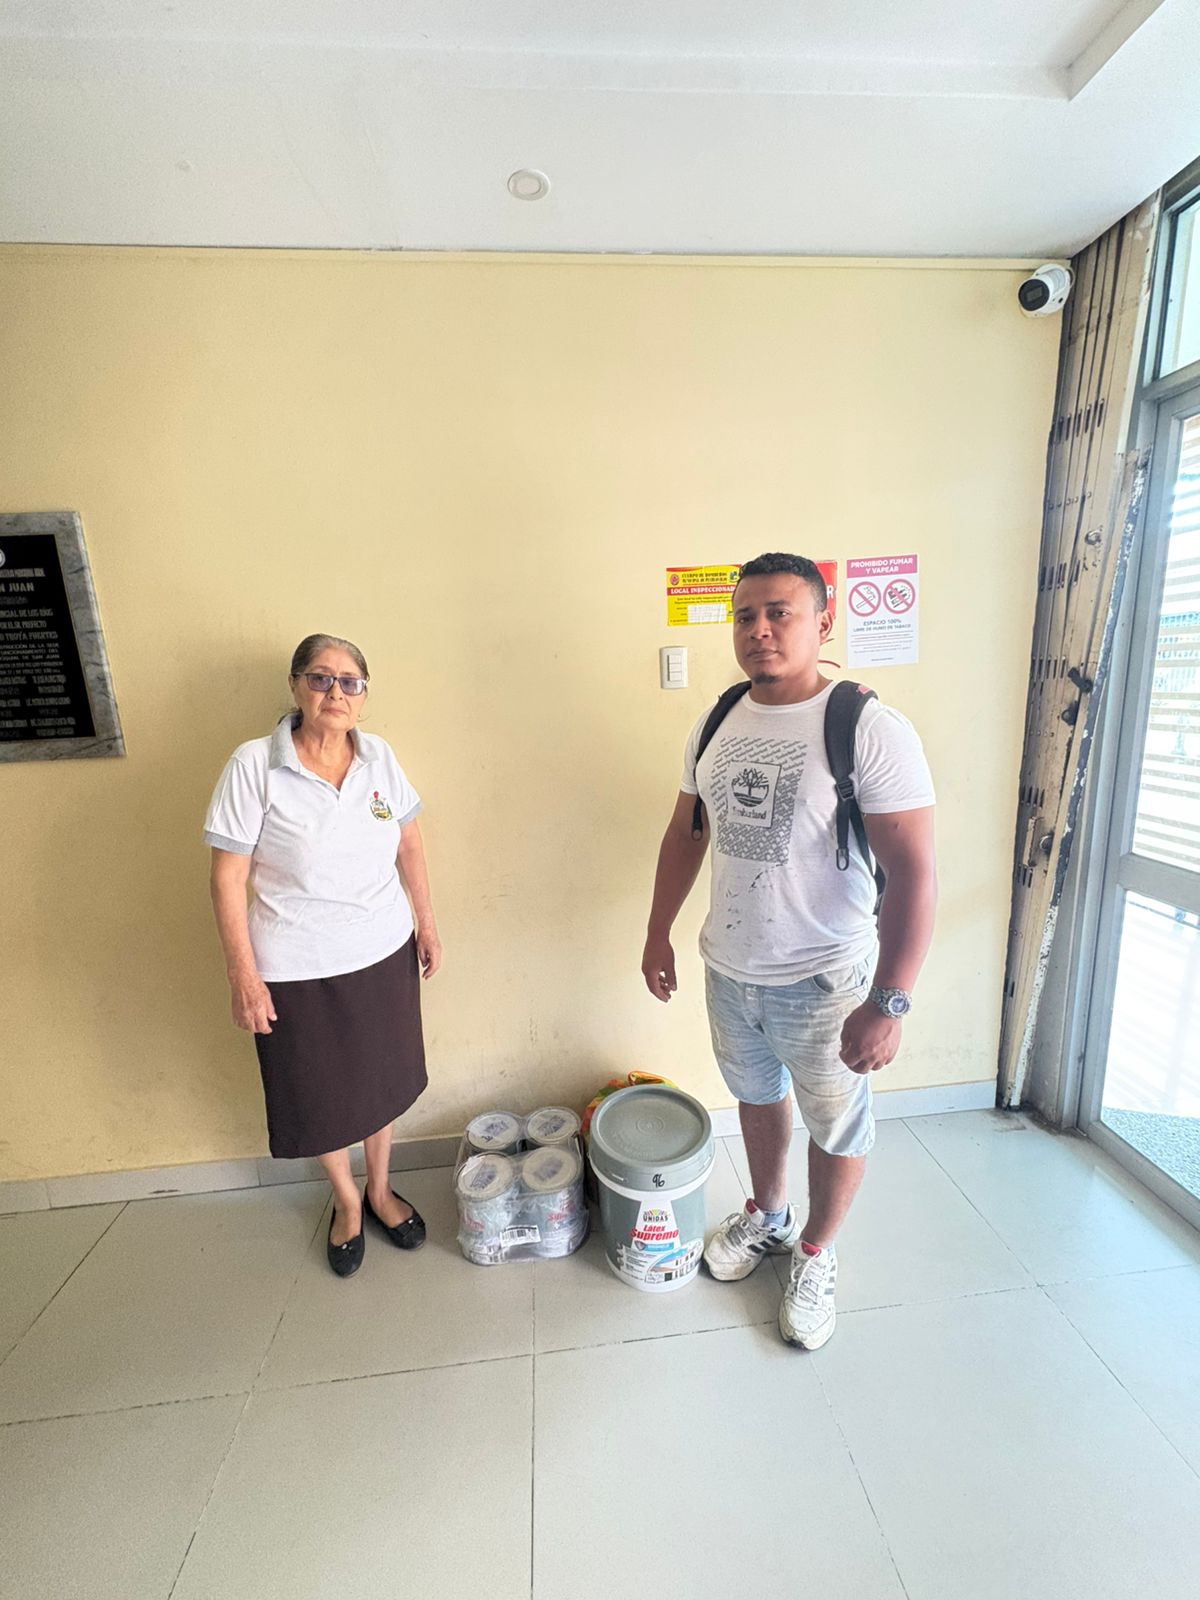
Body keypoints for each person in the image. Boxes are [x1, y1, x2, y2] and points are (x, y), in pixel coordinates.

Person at [641, 553, 936, 1349]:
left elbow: (914, 873)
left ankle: (815, 1252)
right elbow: (686, 833)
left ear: (823, 623)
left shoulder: (867, 727)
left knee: (836, 1126)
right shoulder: (717, 720)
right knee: (756, 1097)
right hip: (730, 969)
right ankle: (768, 1215)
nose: (760, 630)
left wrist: (889, 1001)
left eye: (781, 613)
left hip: (826, 980)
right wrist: (658, 930)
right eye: (745, 616)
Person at [205, 633, 442, 1278]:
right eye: (320, 677)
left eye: (349, 682)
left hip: (382, 950)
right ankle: (347, 1200)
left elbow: (410, 844)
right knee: (320, 1092)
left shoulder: (379, 757)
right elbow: (227, 878)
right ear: (296, 686)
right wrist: (242, 975)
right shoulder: (254, 765)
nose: (335, 692)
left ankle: (381, 1188)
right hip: (295, 967)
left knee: (383, 1080)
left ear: (363, 695)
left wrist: (425, 923)